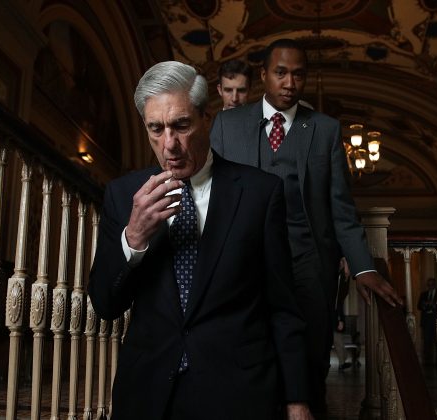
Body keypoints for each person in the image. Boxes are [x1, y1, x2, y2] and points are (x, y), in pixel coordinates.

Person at [88, 60, 313, 420]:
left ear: (207, 118)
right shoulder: (123, 195)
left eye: (181, 125)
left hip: (237, 393)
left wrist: (297, 400)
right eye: (155, 129)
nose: (170, 145)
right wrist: (133, 238)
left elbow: (282, 308)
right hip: (148, 393)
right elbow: (105, 304)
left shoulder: (260, 193)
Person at [210, 38, 403, 418]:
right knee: (250, 349)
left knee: (312, 353)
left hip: (308, 261)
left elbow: (340, 208)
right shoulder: (227, 125)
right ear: (264, 75)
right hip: (246, 261)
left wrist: (363, 266)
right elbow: (210, 197)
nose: (289, 83)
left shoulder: (326, 130)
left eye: (298, 74)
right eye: (281, 73)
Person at [333, 258, 352, 371]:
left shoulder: (340, 277)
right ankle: (342, 361)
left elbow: (340, 298)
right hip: (332, 313)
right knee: (337, 339)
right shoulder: (334, 276)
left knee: (337, 338)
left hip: (335, 312)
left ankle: (342, 361)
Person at [417, 277, 437, 366]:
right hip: (426, 322)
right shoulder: (423, 294)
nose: (430, 286)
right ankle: (427, 364)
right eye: (429, 285)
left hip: (436, 322)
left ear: (435, 285)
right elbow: (418, 306)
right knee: (427, 344)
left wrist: (434, 305)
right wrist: (425, 305)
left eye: (432, 285)